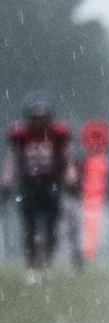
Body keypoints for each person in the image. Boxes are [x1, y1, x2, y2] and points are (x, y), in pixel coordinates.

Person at [0, 94, 77, 285]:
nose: (39, 121)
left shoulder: (58, 134)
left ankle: (47, 265)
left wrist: (70, 173)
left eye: (42, 117)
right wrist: (7, 178)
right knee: (29, 229)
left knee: (51, 229)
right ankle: (33, 268)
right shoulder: (21, 135)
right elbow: (14, 158)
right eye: (36, 117)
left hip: (51, 185)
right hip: (29, 186)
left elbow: (67, 156)